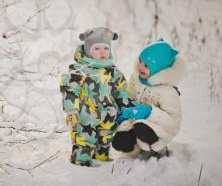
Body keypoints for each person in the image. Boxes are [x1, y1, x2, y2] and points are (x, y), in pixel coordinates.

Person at [59, 27, 150, 166]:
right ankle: (80, 165)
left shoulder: (114, 72)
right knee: (84, 141)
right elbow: (70, 91)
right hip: (85, 117)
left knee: (105, 140)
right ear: (88, 50)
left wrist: (129, 108)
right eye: (96, 48)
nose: (102, 52)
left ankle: (101, 163)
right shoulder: (79, 70)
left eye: (105, 48)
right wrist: (71, 110)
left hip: (108, 115)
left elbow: (121, 92)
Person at [112, 39, 186, 159]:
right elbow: (129, 97)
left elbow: (174, 122)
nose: (140, 67)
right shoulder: (136, 78)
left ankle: (159, 149)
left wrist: (149, 112)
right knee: (120, 141)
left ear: (159, 69)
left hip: (159, 130)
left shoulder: (167, 91)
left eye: (146, 65)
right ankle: (135, 146)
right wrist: (125, 108)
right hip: (135, 122)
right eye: (140, 61)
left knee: (142, 128)